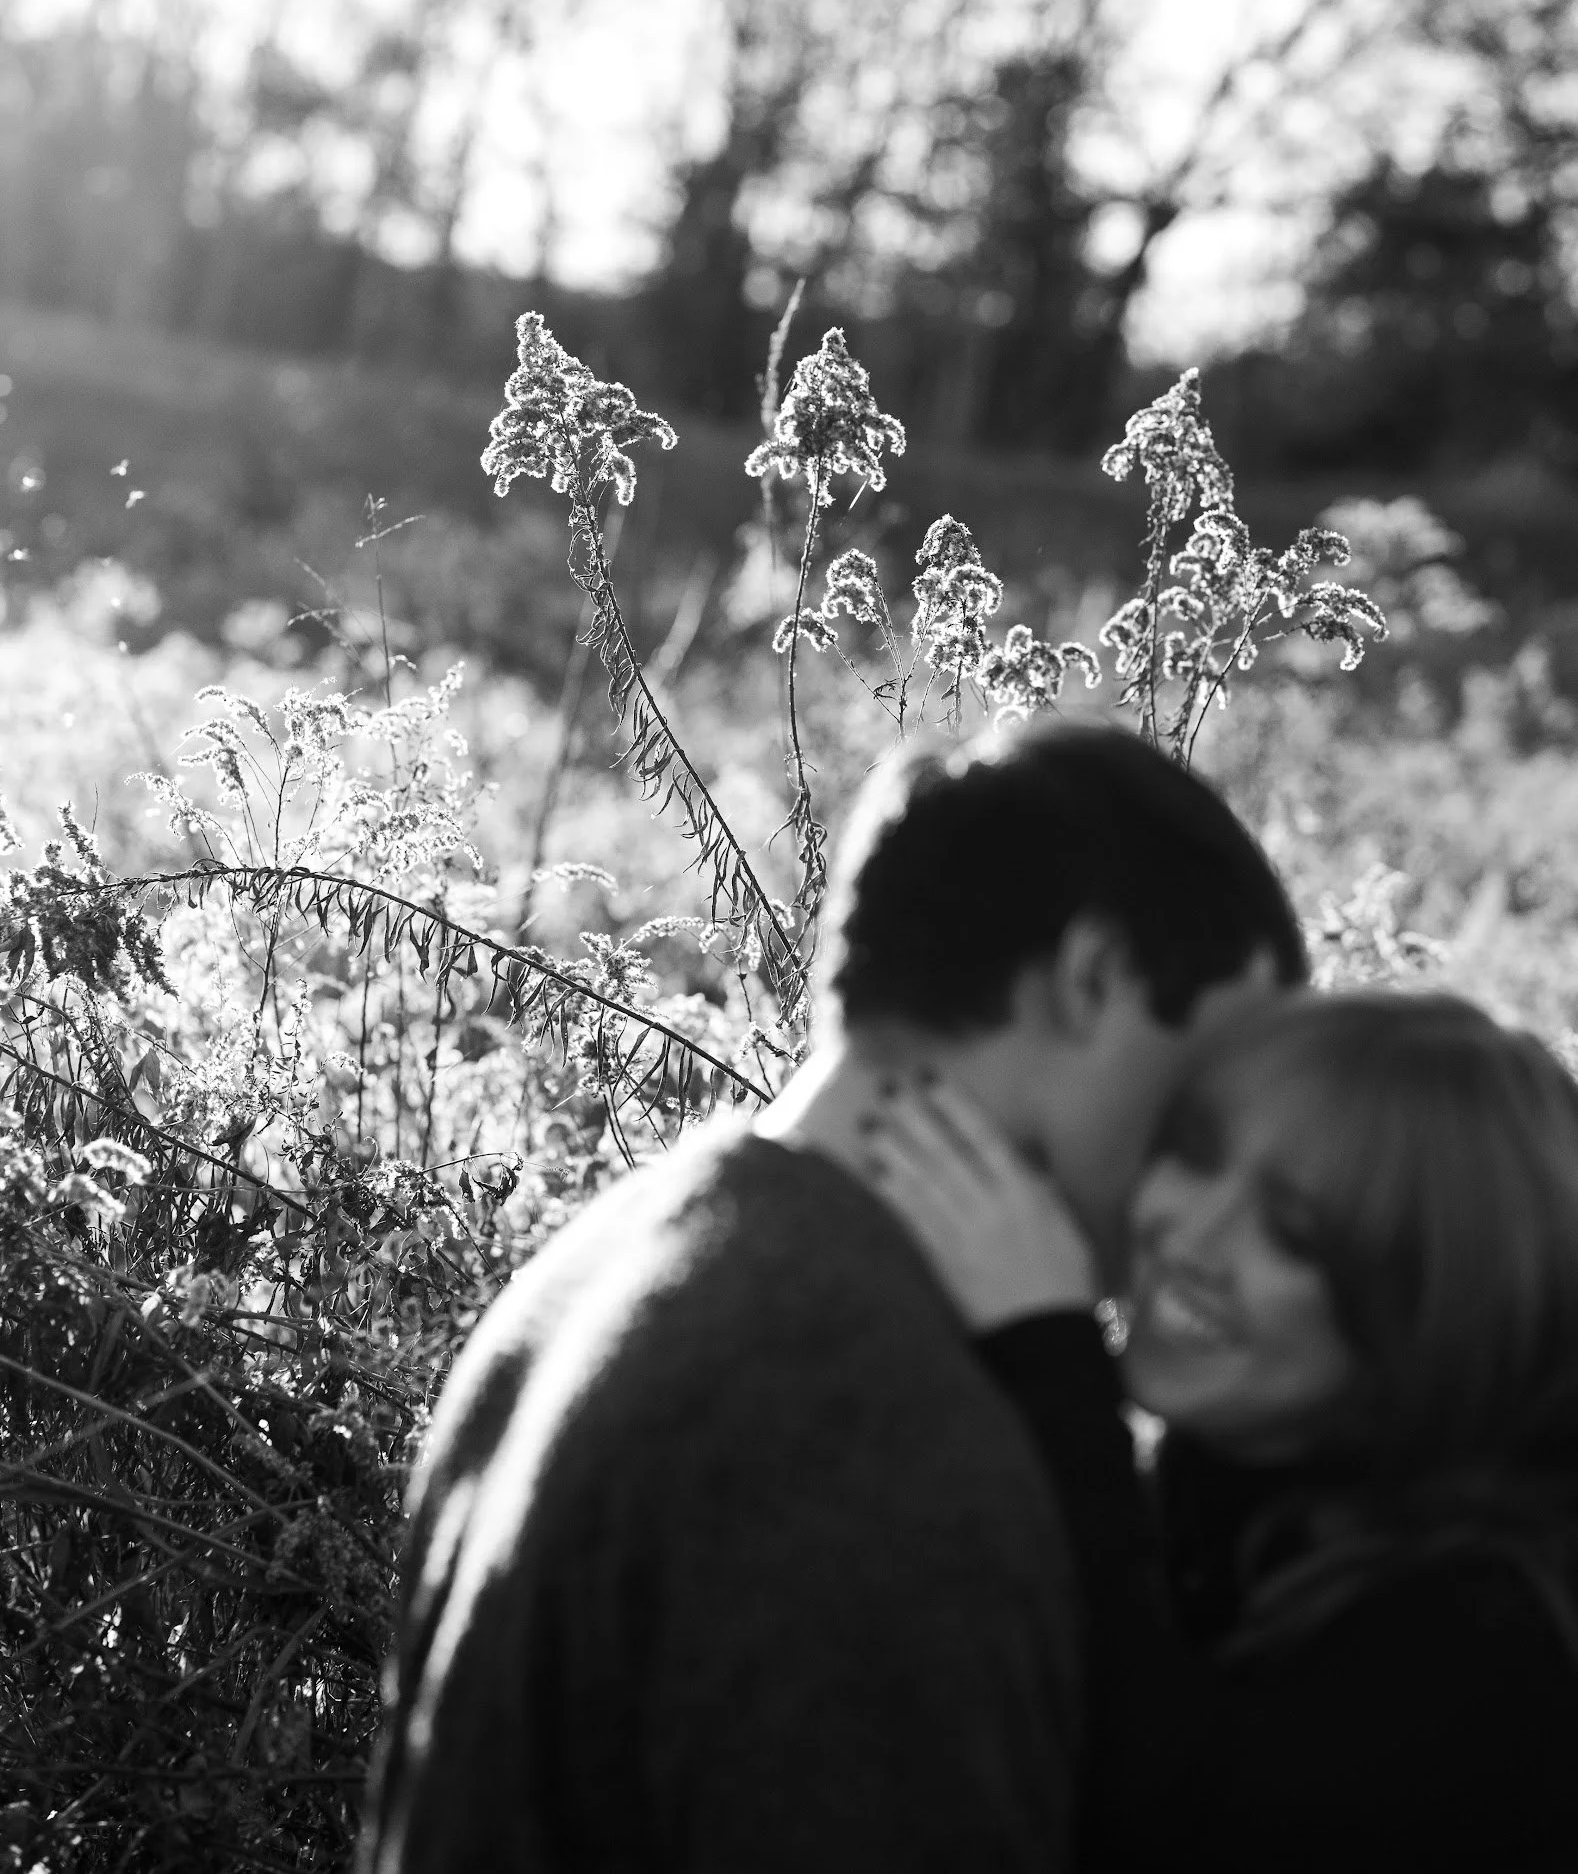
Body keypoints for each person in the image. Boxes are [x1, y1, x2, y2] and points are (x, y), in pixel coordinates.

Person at [359, 721, 1307, 1873]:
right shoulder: (856, 1413)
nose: (1209, 1174)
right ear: (1094, 977)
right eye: (1210, 1086)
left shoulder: (593, 1270)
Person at [864, 990, 1578, 1873]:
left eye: (1293, 1232)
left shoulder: (1493, 1640)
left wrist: (1053, 1364)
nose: (1188, 1234)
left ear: (1429, 1328)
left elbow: (1171, 1822)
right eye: (1196, 1154)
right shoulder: (1226, 1488)